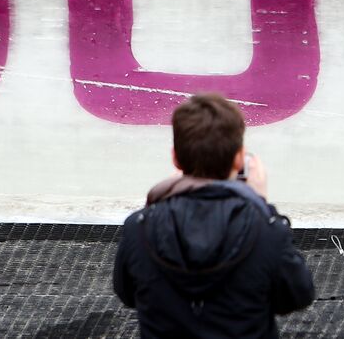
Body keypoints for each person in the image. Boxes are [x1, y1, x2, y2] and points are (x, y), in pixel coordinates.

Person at [113, 92, 315, 338]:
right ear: (239, 159)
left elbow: (127, 292)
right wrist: (263, 206)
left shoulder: (139, 228)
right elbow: (297, 295)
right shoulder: (266, 230)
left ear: (176, 158)